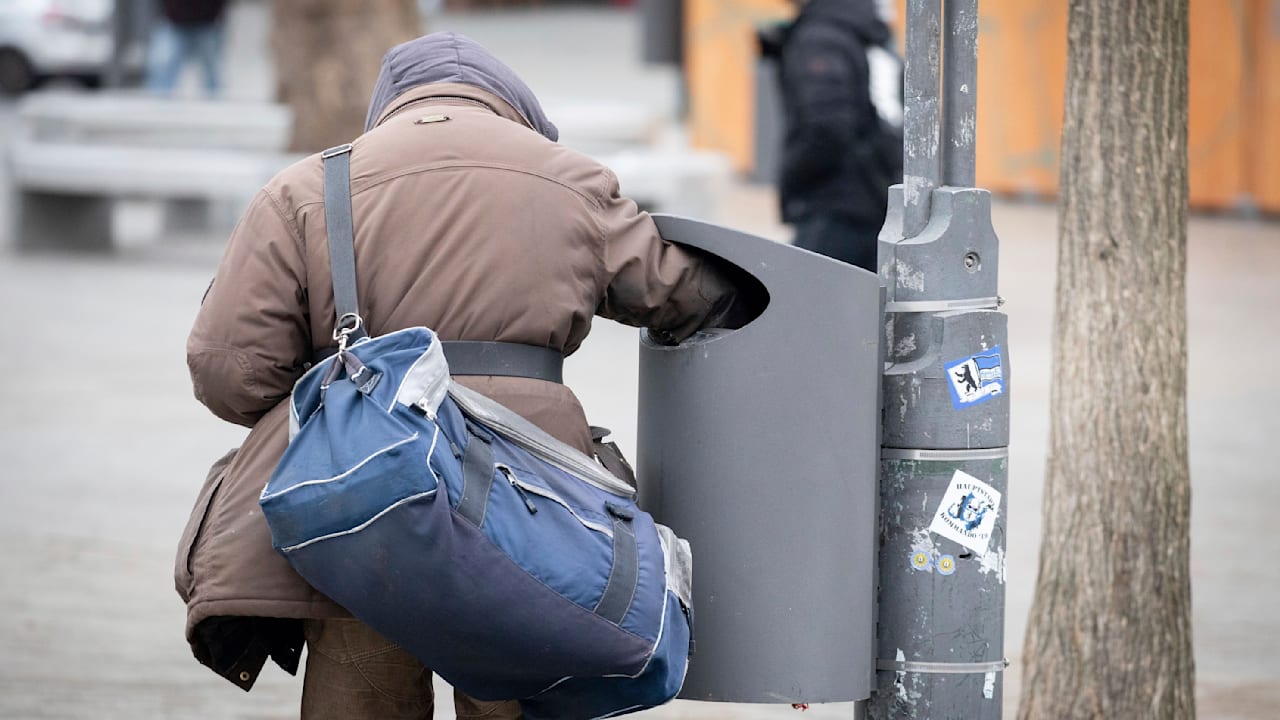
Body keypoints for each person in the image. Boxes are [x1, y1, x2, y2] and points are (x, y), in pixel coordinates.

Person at [177, 32, 758, 720]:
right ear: (513, 108)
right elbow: (683, 294)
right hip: (531, 508)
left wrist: (344, 387)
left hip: (365, 502)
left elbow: (229, 371)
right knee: (520, 692)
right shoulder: (572, 179)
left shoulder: (308, 188)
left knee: (362, 699)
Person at [768, 0, 902, 272]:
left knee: (803, 303)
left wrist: (793, 178)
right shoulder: (865, 27)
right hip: (880, 197)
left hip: (836, 204)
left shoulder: (821, 37)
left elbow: (827, 129)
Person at [144, 0, 229, 96]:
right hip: (173, 21)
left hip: (208, 23)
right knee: (162, 66)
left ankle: (215, 104)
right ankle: (158, 105)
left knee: (212, 70)